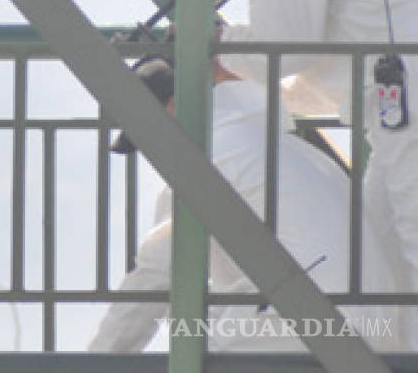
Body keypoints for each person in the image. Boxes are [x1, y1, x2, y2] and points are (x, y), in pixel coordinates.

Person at [160, 0, 418, 346]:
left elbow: (288, 49)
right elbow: (317, 62)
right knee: (386, 253)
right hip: (397, 89)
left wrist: (213, 40)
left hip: (404, 88)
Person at [89, 57, 403, 352]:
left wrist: (101, 362)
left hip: (317, 324)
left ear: (173, 107)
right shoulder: (273, 144)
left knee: (188, 334)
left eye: (144, 131)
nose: (148, 147)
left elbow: (156, 273)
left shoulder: (211, 157)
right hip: (378, 326)